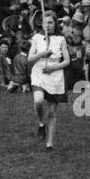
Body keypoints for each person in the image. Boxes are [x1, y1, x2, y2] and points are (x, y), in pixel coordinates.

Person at [27, 17, 68, 150]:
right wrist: (41, 54)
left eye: (50, 22)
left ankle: (49, 143)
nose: (48, 25)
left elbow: (67, 61)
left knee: (51, 112)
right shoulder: (37, 38)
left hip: (55, 74)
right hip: (39, 72)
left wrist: (53, 68)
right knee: (38, 101)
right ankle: (40, 123)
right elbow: (29, 58)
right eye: (45, 23)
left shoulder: (61, 39)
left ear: (55, 24)